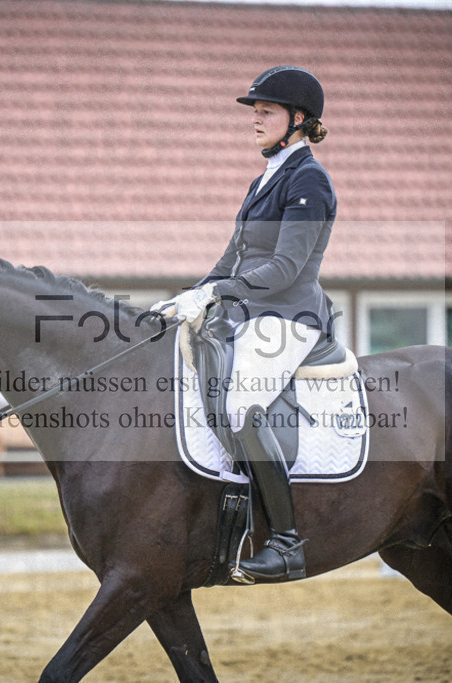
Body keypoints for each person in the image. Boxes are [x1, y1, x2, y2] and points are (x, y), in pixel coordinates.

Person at [152, 66, 335, 581]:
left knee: (242, 401)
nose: (255, 119)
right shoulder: (264, 179)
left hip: (290, 316)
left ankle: (286, 543)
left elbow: (285, 268)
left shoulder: (309, 180)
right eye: (253, 110)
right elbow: (231, 258)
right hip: (249, 314)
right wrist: (188, 295)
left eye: (266, 111)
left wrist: (217, 293)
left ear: (298, 119)